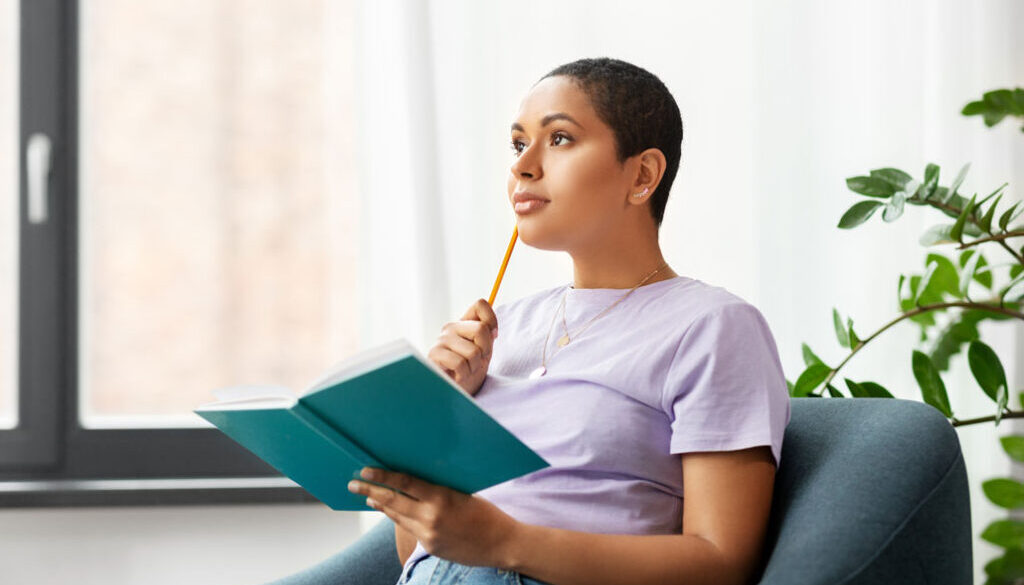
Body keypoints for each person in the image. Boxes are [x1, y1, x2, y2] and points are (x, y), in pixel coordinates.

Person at [288, 57, 791, 585]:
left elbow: (722, 563)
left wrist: (506, 543)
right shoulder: (501, 330)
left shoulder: (714, 327)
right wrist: (436, 419)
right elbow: (418, 554)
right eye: (517, 143)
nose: (522, 166)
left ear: (642, 175)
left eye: (560, 139)